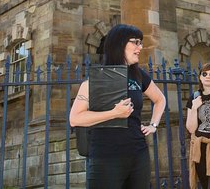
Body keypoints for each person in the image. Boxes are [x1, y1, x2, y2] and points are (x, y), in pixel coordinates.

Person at [70, 24, 167, 189]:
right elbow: (75, 118)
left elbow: (160, 99)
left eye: (141, 42)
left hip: (138, 155)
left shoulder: (139, 75)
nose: (140, 47)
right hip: (106, 157)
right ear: (120, 44)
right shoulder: (97, 78)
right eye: (135, 42)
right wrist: (113, 113)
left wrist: (153, 125)